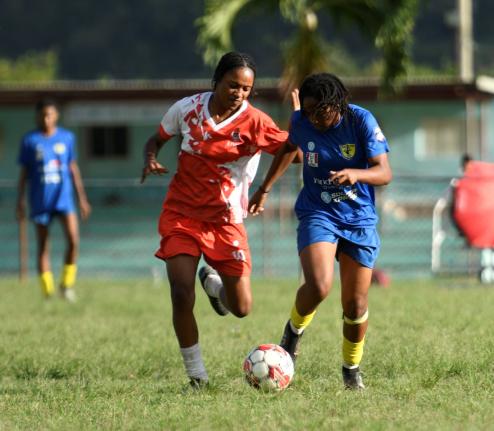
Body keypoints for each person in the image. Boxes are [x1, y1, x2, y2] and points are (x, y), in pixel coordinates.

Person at [141, 51, 297, 388]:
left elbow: (292, 151)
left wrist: (266, 189)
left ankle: (214, 285)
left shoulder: (256, 122)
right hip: (181, 214)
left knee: (241, 308)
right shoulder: (187, 109)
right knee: (181, 294)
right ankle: (197, 377)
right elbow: (157, 138)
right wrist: (151, 156)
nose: (238, 93)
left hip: (226, 220)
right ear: (216, 81)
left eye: (245, 89)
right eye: (232, 86)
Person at [249, 73, 392, 390]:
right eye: (309, 112)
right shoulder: (302, 121)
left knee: (355, 306)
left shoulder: (361, 121)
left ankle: (350, 370)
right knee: (319, 284)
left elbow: (384, 172)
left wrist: (356, 173)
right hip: (318, 212)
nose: (314, 118)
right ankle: (293, 332)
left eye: (320, 112)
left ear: (336, 104)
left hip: (359, 219)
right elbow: (289, 147)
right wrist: (265, 189)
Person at [16, 99, 91, 302]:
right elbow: (24, 173)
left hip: (64, 199)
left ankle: (66, 286)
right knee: (43, 245)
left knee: (73, 241)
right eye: (42, 115)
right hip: (40, 200)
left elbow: (73, 169)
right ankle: (48, 292)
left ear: (56, 115)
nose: (46, 118)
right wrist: (20, 201)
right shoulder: (30, 140)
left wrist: (82, 198)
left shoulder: (67, 138)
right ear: (37, 116)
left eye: (50, 114)